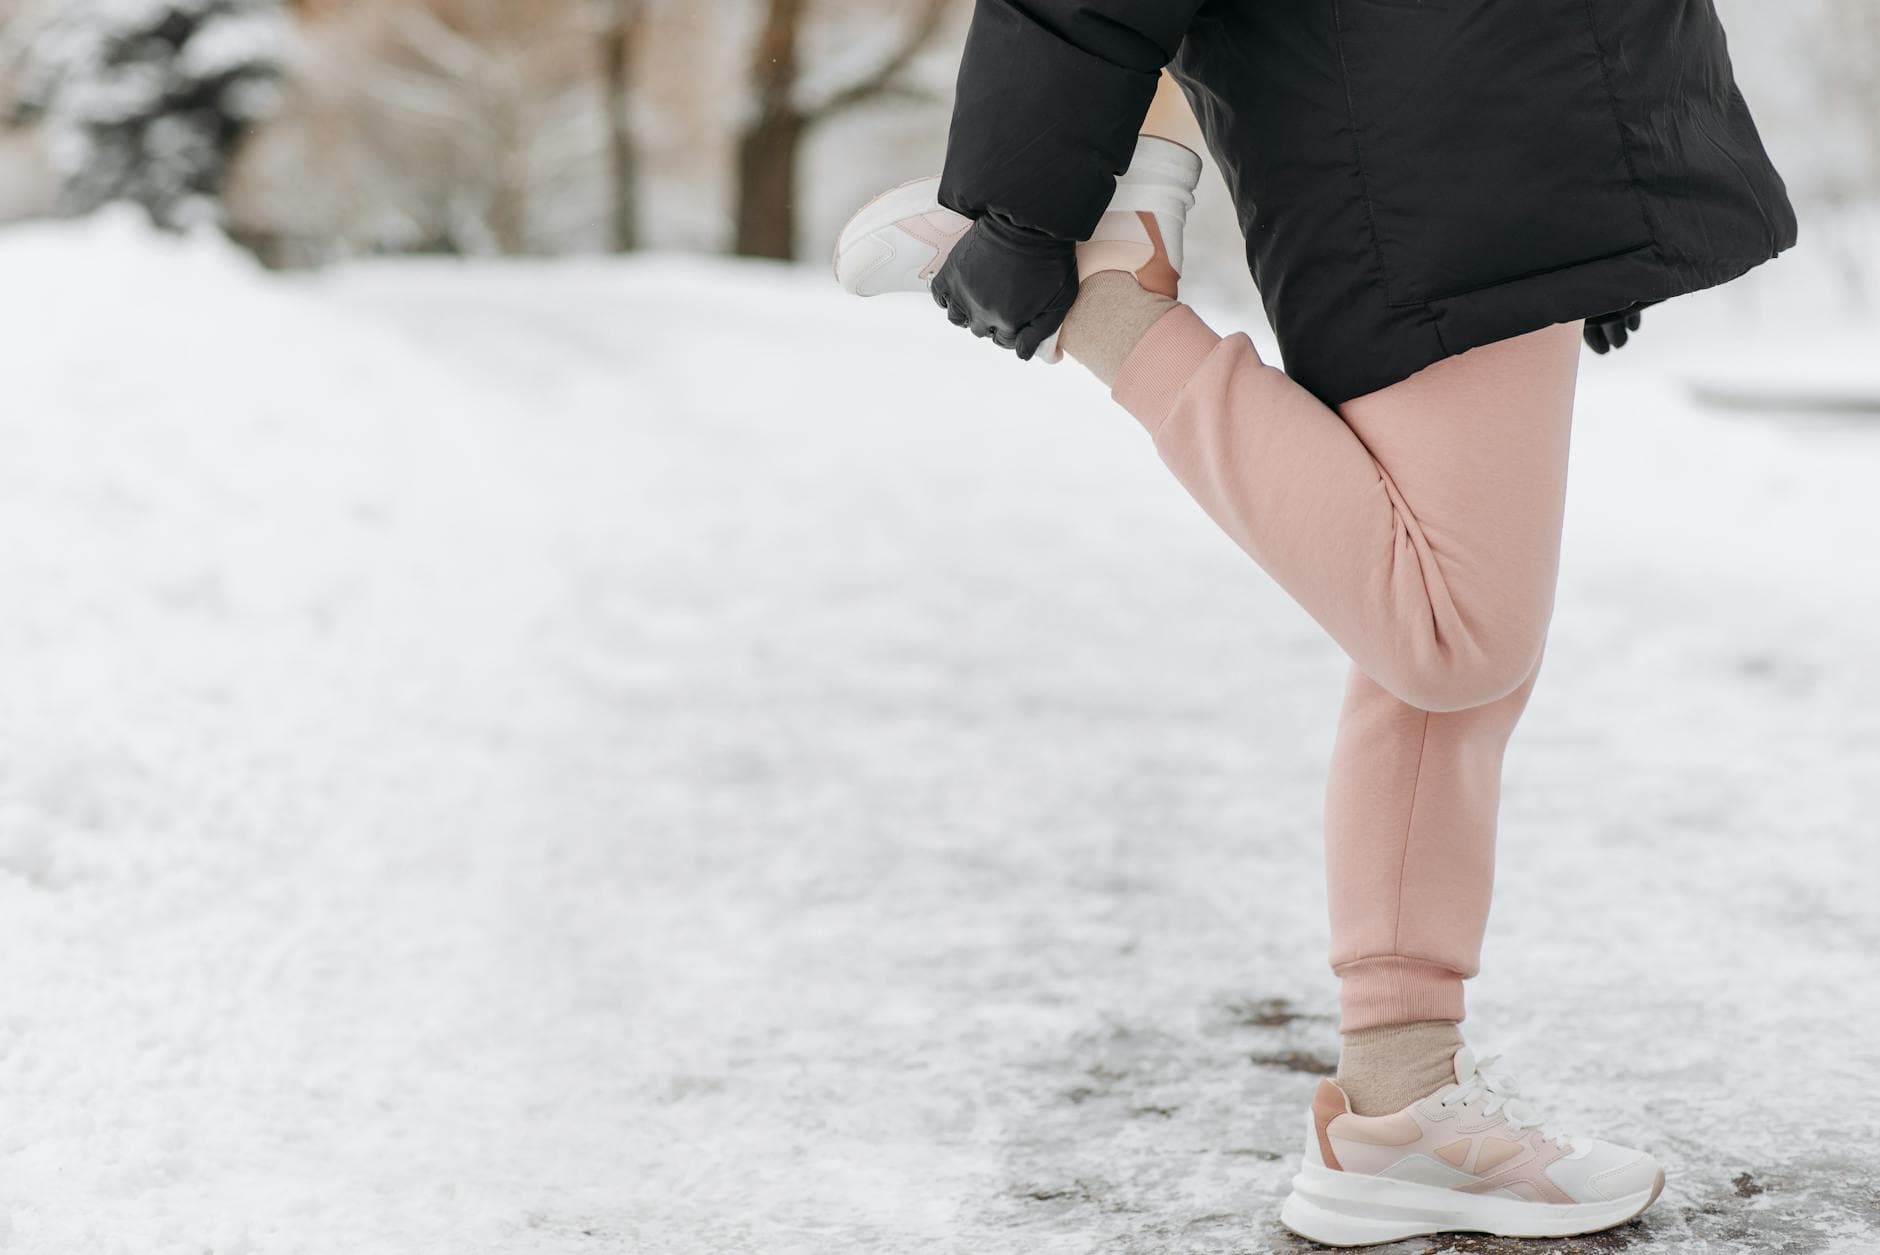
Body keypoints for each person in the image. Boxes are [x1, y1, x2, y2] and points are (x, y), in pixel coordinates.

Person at [833, 0, 1794, 1245]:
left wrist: (1612, 179)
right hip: (1442, 105)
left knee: (1444, 652)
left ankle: (1404, 1111)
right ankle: (1107, 304)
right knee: (1448, 629)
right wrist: (1020, 213)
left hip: (1511, 95)